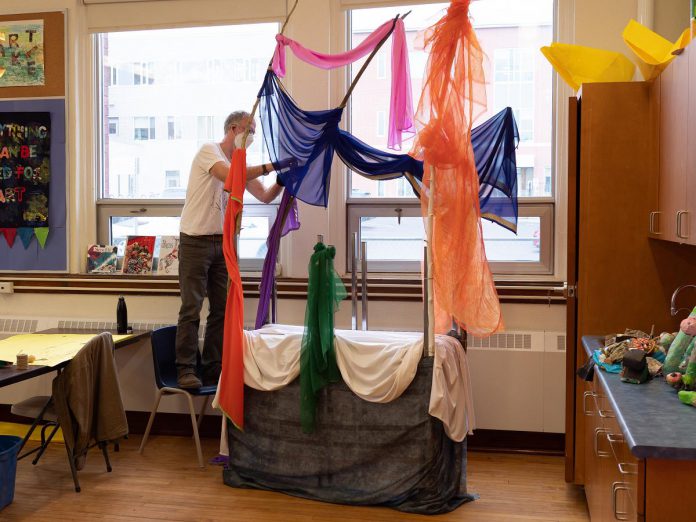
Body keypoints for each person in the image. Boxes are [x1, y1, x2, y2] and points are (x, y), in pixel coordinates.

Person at [175, 110, 284, 389]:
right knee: (191, 307)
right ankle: (186, 369)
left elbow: (265, 194)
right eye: (250, 131)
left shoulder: (240, 163)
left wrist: (285, 179)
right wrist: (271, 166)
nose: (252, 138)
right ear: (234, 129)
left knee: (221, 309)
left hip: (222, 244)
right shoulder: (209, 151)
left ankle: (213, 368)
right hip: (195, 240)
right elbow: (229, 177)